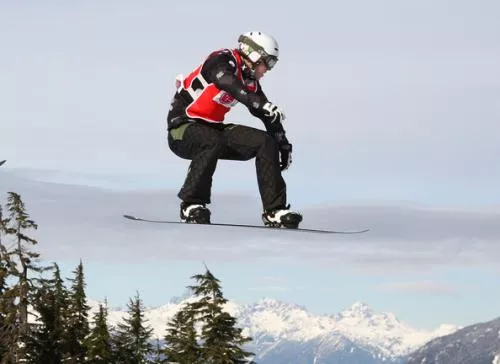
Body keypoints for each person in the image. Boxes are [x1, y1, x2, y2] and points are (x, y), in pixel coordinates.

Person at [166, 31, 302, 228]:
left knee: (265, 142)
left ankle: (274, 211)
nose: (267, 70)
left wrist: (283, 144)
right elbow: (227, 83)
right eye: (268, 62)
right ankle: (191, 205)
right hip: (182, 129)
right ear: (253, 54)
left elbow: (264, 112)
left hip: (213, 130)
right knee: (211, 139)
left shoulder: (250, 81)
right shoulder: (222, 59)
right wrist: (258, 103)